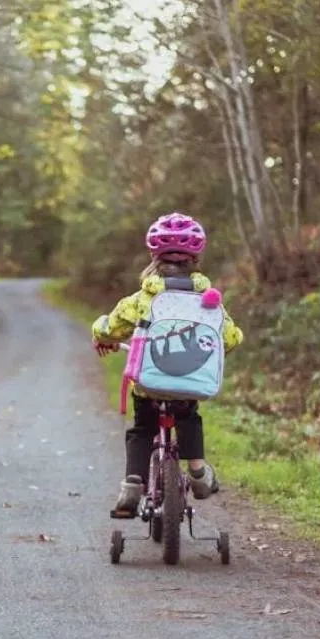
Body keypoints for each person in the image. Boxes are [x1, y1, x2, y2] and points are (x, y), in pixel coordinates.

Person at [90, 212, 244, 519]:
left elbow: (112, 326)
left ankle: (132, 486)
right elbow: (230, 336)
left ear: (153, 255)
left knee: (142, 428)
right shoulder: (207, 299)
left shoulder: (143, 299)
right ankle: (198, 471)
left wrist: (100, 333)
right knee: (189, 416)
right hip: (188, 383)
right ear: (196, 258)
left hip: (148, 384)